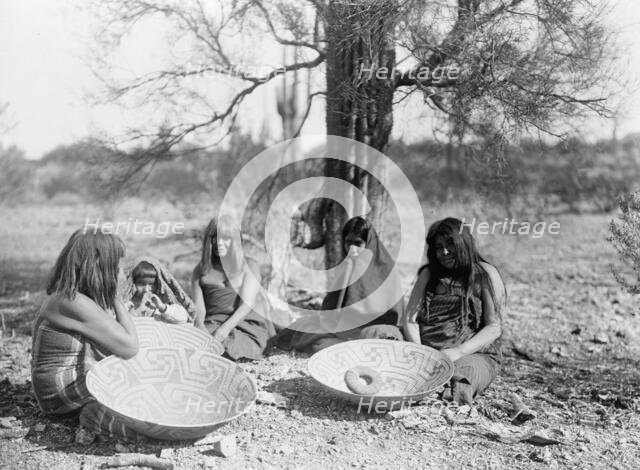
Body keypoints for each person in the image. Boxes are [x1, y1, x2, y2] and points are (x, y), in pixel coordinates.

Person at [31, 229, 141, 442]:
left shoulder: (71, 296)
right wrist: (116, 297)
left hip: (60, 391)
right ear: (100, 269)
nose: (121, 274)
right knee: (142, 398)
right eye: (117, 268)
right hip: (60, 398)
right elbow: (130, 348)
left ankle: (98, 413)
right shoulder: (72, 302)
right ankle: (94, 416)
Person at [401, 217, 506, 405]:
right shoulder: (428, 274)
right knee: (383, 336)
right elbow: (410, 319)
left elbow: (494, 327)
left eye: (450, 245)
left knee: (464, 375)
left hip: (470, 354)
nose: (445, 252)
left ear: (464, 243)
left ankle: (437, 397)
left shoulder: (485, 274)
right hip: (424, 349)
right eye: (438, 247)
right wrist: (422, 352)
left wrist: (458, 351)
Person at [276, 216, 404, 353]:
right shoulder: (348, 266)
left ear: (369, 243)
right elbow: (332, 308)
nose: (352, 249)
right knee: (306, 328)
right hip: (345, 328)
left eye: (358, 243)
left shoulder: (386, 268)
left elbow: (394, 313)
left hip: (376, 327)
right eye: (348, 242)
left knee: (385, 335)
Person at [192, 215, 274, 361]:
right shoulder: (200, 270)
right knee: (192, 343)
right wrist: (201, 329)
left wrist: (222, 332)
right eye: (215, 238)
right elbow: (199, 309)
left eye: (226, 238)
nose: (220, 243)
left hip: (244, 324)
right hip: (212, 323)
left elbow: (246, 306)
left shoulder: (250, 266)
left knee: (229, 346)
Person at [122, 256, 196, 324]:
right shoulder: (125, 303)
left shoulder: (157, 302)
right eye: (141, 284)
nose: (146, 289)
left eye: (151, 284)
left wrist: (162, 308)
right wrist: (128, 313)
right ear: (131, 282)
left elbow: (183, 318)